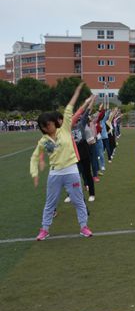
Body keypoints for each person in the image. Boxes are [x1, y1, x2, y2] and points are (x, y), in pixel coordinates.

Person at [30, 83, 93, 241]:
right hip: (55, 174)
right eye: (44, 127)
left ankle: (84, 227)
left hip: (71, 171)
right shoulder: (43, 141)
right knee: (50, 204)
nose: (47, 128)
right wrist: (35, 173)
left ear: (53, 122)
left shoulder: (64, 128)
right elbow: (35, 156)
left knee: (78, 201)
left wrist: (77, 93)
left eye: (48, 124)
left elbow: (70, 108)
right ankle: (44, 229)